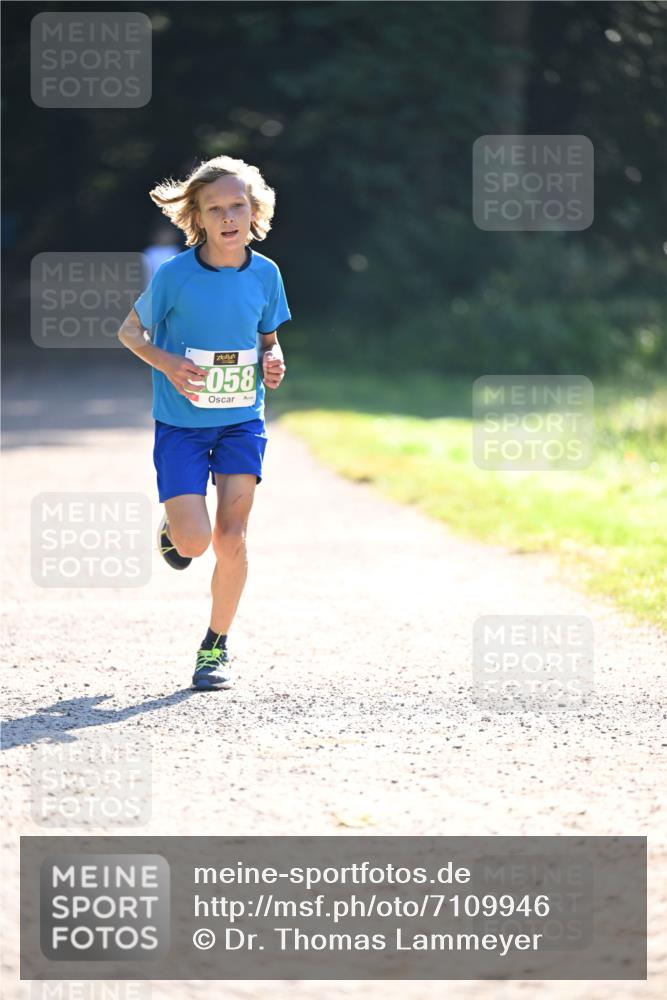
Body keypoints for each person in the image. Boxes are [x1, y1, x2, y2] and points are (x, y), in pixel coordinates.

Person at [117, 155, 291, 691]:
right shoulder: (175, 275)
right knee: (194, 543)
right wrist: (168, 364)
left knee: (231, 537)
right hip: (182, 425)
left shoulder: (266, 274)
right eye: (215, 209)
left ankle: (215, 646)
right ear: (197, 216)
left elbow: (268, 340)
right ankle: (175, 529)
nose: (228, 216)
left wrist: (274, 360)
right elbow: (130, 332)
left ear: (254, 210)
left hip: (242, 422)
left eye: (237, 205)